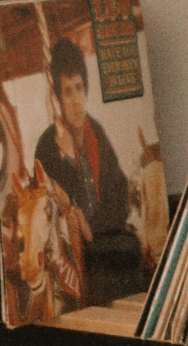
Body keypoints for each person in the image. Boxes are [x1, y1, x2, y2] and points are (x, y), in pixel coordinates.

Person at [34, 34, 145, 304]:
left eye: (79, 88)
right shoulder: (48, 145)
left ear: (87, 90)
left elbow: (120, 197)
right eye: (67, 91)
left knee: (131, 247)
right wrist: (70, 159)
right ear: (58, 98)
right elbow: (55, 216)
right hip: (76, 252)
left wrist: (94, 226)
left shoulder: (95, 132)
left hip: (103, 233)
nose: (75, 100)